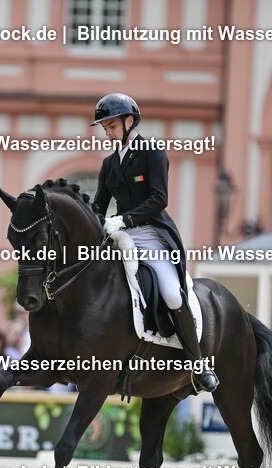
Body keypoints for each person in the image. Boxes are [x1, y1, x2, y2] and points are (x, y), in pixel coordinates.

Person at [89, 92, 218, 392]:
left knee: (173, 294)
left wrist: (125, 219)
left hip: (150, 234)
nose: (106, 132)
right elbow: (98, 205)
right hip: (120, 237)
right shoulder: (109, 164)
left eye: (110, 125)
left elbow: (159, 198)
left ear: (129, 121)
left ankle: (198, 364)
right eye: (104, 127)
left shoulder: (152, 151)